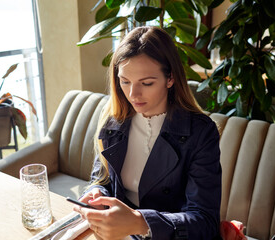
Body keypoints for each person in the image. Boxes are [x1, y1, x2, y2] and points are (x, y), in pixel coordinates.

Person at [74, 26, 221, 240]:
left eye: (147, 83)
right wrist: (97, 194)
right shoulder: (114, 120)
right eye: (125, 81)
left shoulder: (200, 131)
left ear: (170, 78)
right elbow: (102, 180)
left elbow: (205, 222)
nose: (133, 94)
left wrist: (140, 222)